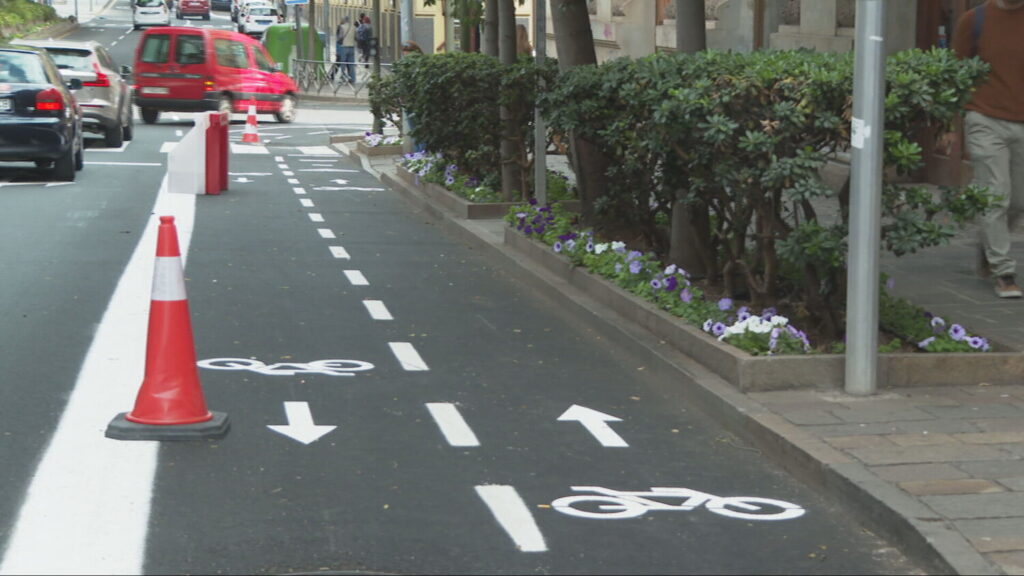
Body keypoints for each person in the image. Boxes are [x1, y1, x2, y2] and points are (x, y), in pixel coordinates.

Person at [952, 0, 1024, 298]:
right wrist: (949, 124)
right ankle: (1004, 271)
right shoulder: (974, 20)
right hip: (984, 118)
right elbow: (955, 74)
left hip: (1021, 120)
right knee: (996, 194)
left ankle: (989, 244)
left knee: (1018, 200)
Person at [332, 16, 356, 84]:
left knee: (343, 64)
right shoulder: (354, 27)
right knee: (351, 64)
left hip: (344, 47)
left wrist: (338, 41)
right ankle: (352, 79)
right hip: (352, 47)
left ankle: (343, 78)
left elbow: (340, 37)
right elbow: (357, 37)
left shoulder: (342, 27)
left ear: (344, 20)